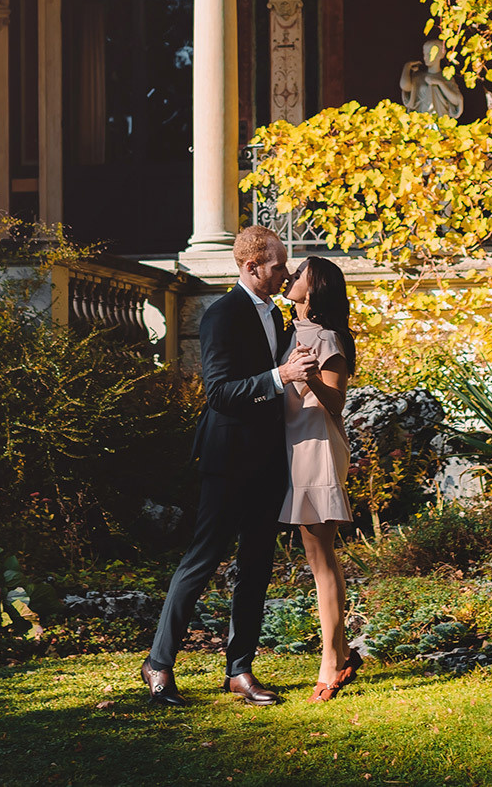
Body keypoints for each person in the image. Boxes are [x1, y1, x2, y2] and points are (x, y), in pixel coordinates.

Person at [142, 226, 314, 708]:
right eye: (278, 265)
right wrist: (279, 376)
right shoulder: (220, 315)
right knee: (201, 562)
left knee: (257, 567)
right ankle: (159, 663)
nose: (285, 272)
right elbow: (218, 393)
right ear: (251, 267)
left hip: (268, 459)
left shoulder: (278, 315)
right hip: (227, 459)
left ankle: (239, 671)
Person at [281, 254, 359, 701]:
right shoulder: (288, 329)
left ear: (316, 288)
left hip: (316, 449)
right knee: (314, 555)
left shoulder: (328, 337)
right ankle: (343, 654)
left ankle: (332, 663)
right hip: (291, 447)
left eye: (301, 273)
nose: (291, 275)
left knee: (319, 557)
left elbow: (337, 403)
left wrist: (309, 381)